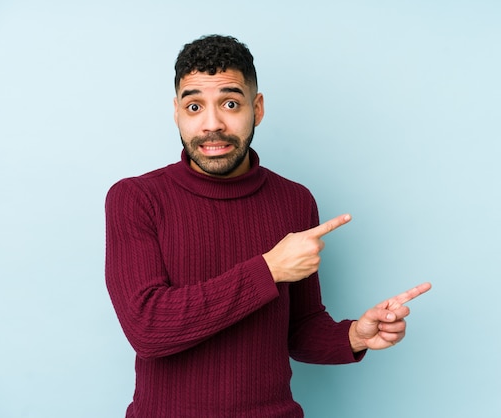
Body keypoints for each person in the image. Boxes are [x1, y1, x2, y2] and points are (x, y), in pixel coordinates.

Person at [105, 34, 431, 418]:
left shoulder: (294, 201)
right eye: (195, 106)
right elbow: (149, 329)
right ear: (177, 112)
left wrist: (353, 335)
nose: (212, 124)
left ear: (256, 109)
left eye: (230, 103)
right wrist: (269, 269)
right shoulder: (136, 198)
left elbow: (299, 327)